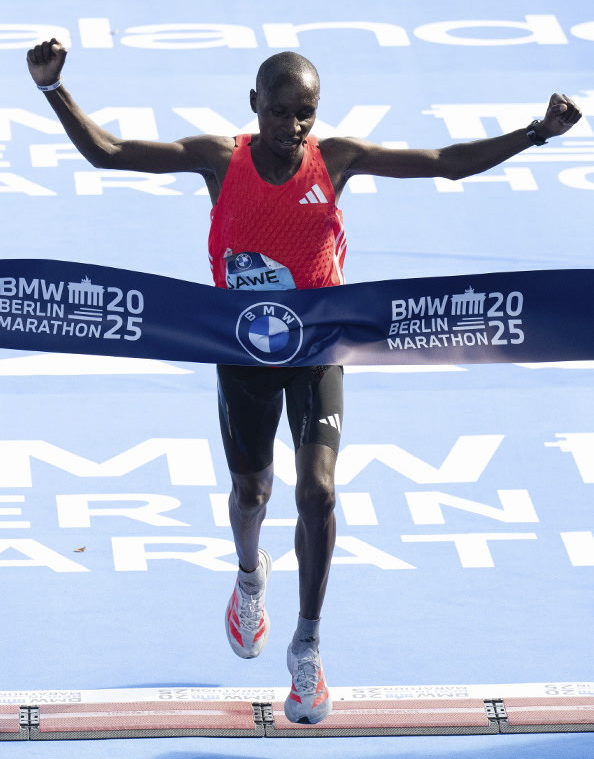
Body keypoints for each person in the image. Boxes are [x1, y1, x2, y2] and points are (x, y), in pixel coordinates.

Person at [26, 39, 582, 725]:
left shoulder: (335, 160)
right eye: (281, 110)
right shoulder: (220, 160)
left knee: (318, 491)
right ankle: (249, 579)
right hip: (243, 351)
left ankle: (309, 646)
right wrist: (54, 89)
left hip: (318, 348)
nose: (292, 125)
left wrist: (535, 134)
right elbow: (108, 154)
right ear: (254, 105)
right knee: (251, 490)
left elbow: (444, 165)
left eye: (306, 114)